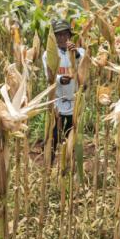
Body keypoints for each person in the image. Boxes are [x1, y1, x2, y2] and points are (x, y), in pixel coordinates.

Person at [42, 19, 85, 162]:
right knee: (53, 136)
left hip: (74, 102)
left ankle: (69, 164)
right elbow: (49, 76)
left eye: (65, 34)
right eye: (58, 35)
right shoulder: (48, 55)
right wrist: (60, 79)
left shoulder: (79, 52)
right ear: (54, 38)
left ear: (69, 36)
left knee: (71, 137)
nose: (62, 38)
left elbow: (84, 66)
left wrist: (75, 54)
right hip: (56, 102)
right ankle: (49, 164)